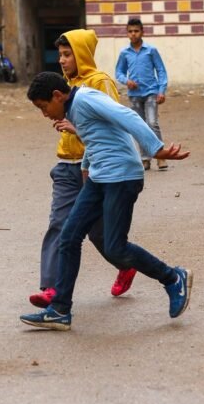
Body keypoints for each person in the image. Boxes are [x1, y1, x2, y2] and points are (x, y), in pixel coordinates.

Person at [20, 71, 192, 331]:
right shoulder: (73, 108)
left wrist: (155, 149)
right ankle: (59, 310)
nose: (44, 114)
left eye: (44, 107)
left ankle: (172, 277)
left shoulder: (86, 99)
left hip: (122, 177)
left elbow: (128, 116)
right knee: (69, 237)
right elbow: (97, 136)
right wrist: (87, 168)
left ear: (57, 95)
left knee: (115, 248)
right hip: (100, 178)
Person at [29, 28, 137, 309]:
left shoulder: (99, 83)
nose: (62, 60)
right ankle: (51, 288)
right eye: (61, 55)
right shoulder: (62, 85)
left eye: (68, 54)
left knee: (100, 233)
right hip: (66, 166)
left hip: (96, 169)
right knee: (59, 224)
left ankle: (126, 264)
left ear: (83, 54)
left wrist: (76, 129)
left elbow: (113, 126)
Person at [115, 17, 169, 170]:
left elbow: (161, 71)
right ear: (127, 33)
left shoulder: (151, 51)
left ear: (142, 32)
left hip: (151, 91)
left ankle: (160, 157)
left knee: (152, 123)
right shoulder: (125, 53)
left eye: (136, 31)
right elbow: (118, 72)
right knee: (140, 126)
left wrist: (161, 90)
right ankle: (145, 158)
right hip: (134, 94)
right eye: (130, 31)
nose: (133, 34)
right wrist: (126, 81)